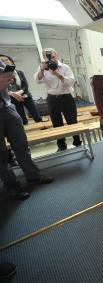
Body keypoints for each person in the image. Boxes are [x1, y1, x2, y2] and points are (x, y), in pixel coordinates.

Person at [1, 61, 54, 200]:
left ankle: (32, 175)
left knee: (21, 145)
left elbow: (9, 80)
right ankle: (11, 185)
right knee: (1, 154)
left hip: (7, 107)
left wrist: (8, 81)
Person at [34, 48, 81, 152]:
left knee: (72, 121)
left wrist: (58, 75)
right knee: (56, 122)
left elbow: (71, 82)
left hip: (66, 97)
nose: (50, 57)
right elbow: (37, 81)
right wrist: (42, 70)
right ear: (44, 57)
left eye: (52, 55)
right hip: (52, 98)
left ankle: (77, 142)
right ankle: (61, 145)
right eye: (47, 56)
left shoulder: (65, 67)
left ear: (57, 55)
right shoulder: (42, 68)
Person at [0, 55, 42, 125]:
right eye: (2, 60)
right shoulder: (2, 76)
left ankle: (43, 128)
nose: (5, 61)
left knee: (36, 115)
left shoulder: (19, 72)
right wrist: (14, 94)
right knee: (22, 118)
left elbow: (25, 85)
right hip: (13, 98)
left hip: (25, 95)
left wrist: (19, 93)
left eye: (6, 59)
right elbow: (4, 89)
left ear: (11, 61)